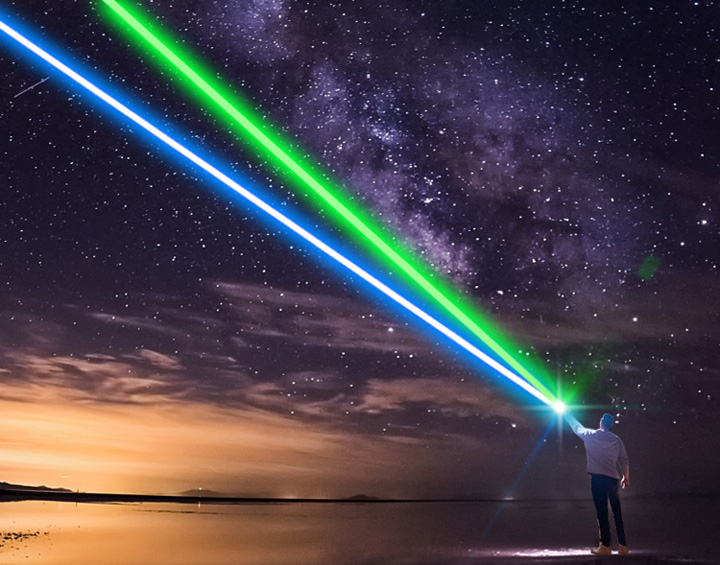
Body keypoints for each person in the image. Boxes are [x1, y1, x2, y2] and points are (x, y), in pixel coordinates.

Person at [565, 412, 629, 556]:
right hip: (613, 480)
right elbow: (623, 459)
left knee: (602, 513)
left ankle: (605, 547)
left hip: (598, 479)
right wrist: (626, 477)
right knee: (617, 512)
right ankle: (623, 546)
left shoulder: (591, 435)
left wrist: (567, 414)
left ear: (601, 423)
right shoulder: (616, 440)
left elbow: (576, 427)